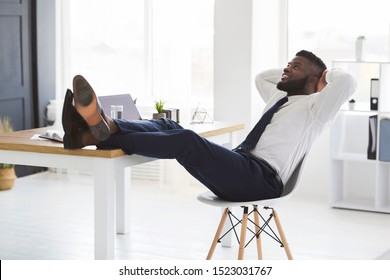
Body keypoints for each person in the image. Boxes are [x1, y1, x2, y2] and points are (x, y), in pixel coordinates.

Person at [62, 50, 357, 202]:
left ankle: (104, 129)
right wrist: (297, 73)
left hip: (260, 181)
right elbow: (261, 77)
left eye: (295, 67)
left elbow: (349, 82)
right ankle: (93, 132)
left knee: (187, 140)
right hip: (242, 166)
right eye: (288, 63)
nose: (285, 69)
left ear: (313, 80)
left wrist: (324, 76)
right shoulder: (279, 96)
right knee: (166, 123)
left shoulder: (317, 109)